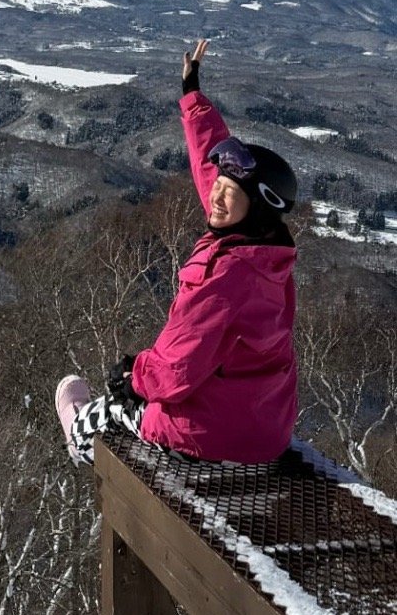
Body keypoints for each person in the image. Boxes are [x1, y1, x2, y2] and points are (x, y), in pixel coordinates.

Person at [54, 39, 299, 466]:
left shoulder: (226, 278)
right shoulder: (263, 248)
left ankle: (78, 433)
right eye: (219, 189)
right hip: (266, 425)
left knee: (116, 412)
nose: (217, 199)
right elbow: (213, 171)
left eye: (230, 194)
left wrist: (135, 378)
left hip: (213, 436)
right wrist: (193, 95)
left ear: (255, 205)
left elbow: (176, 367)